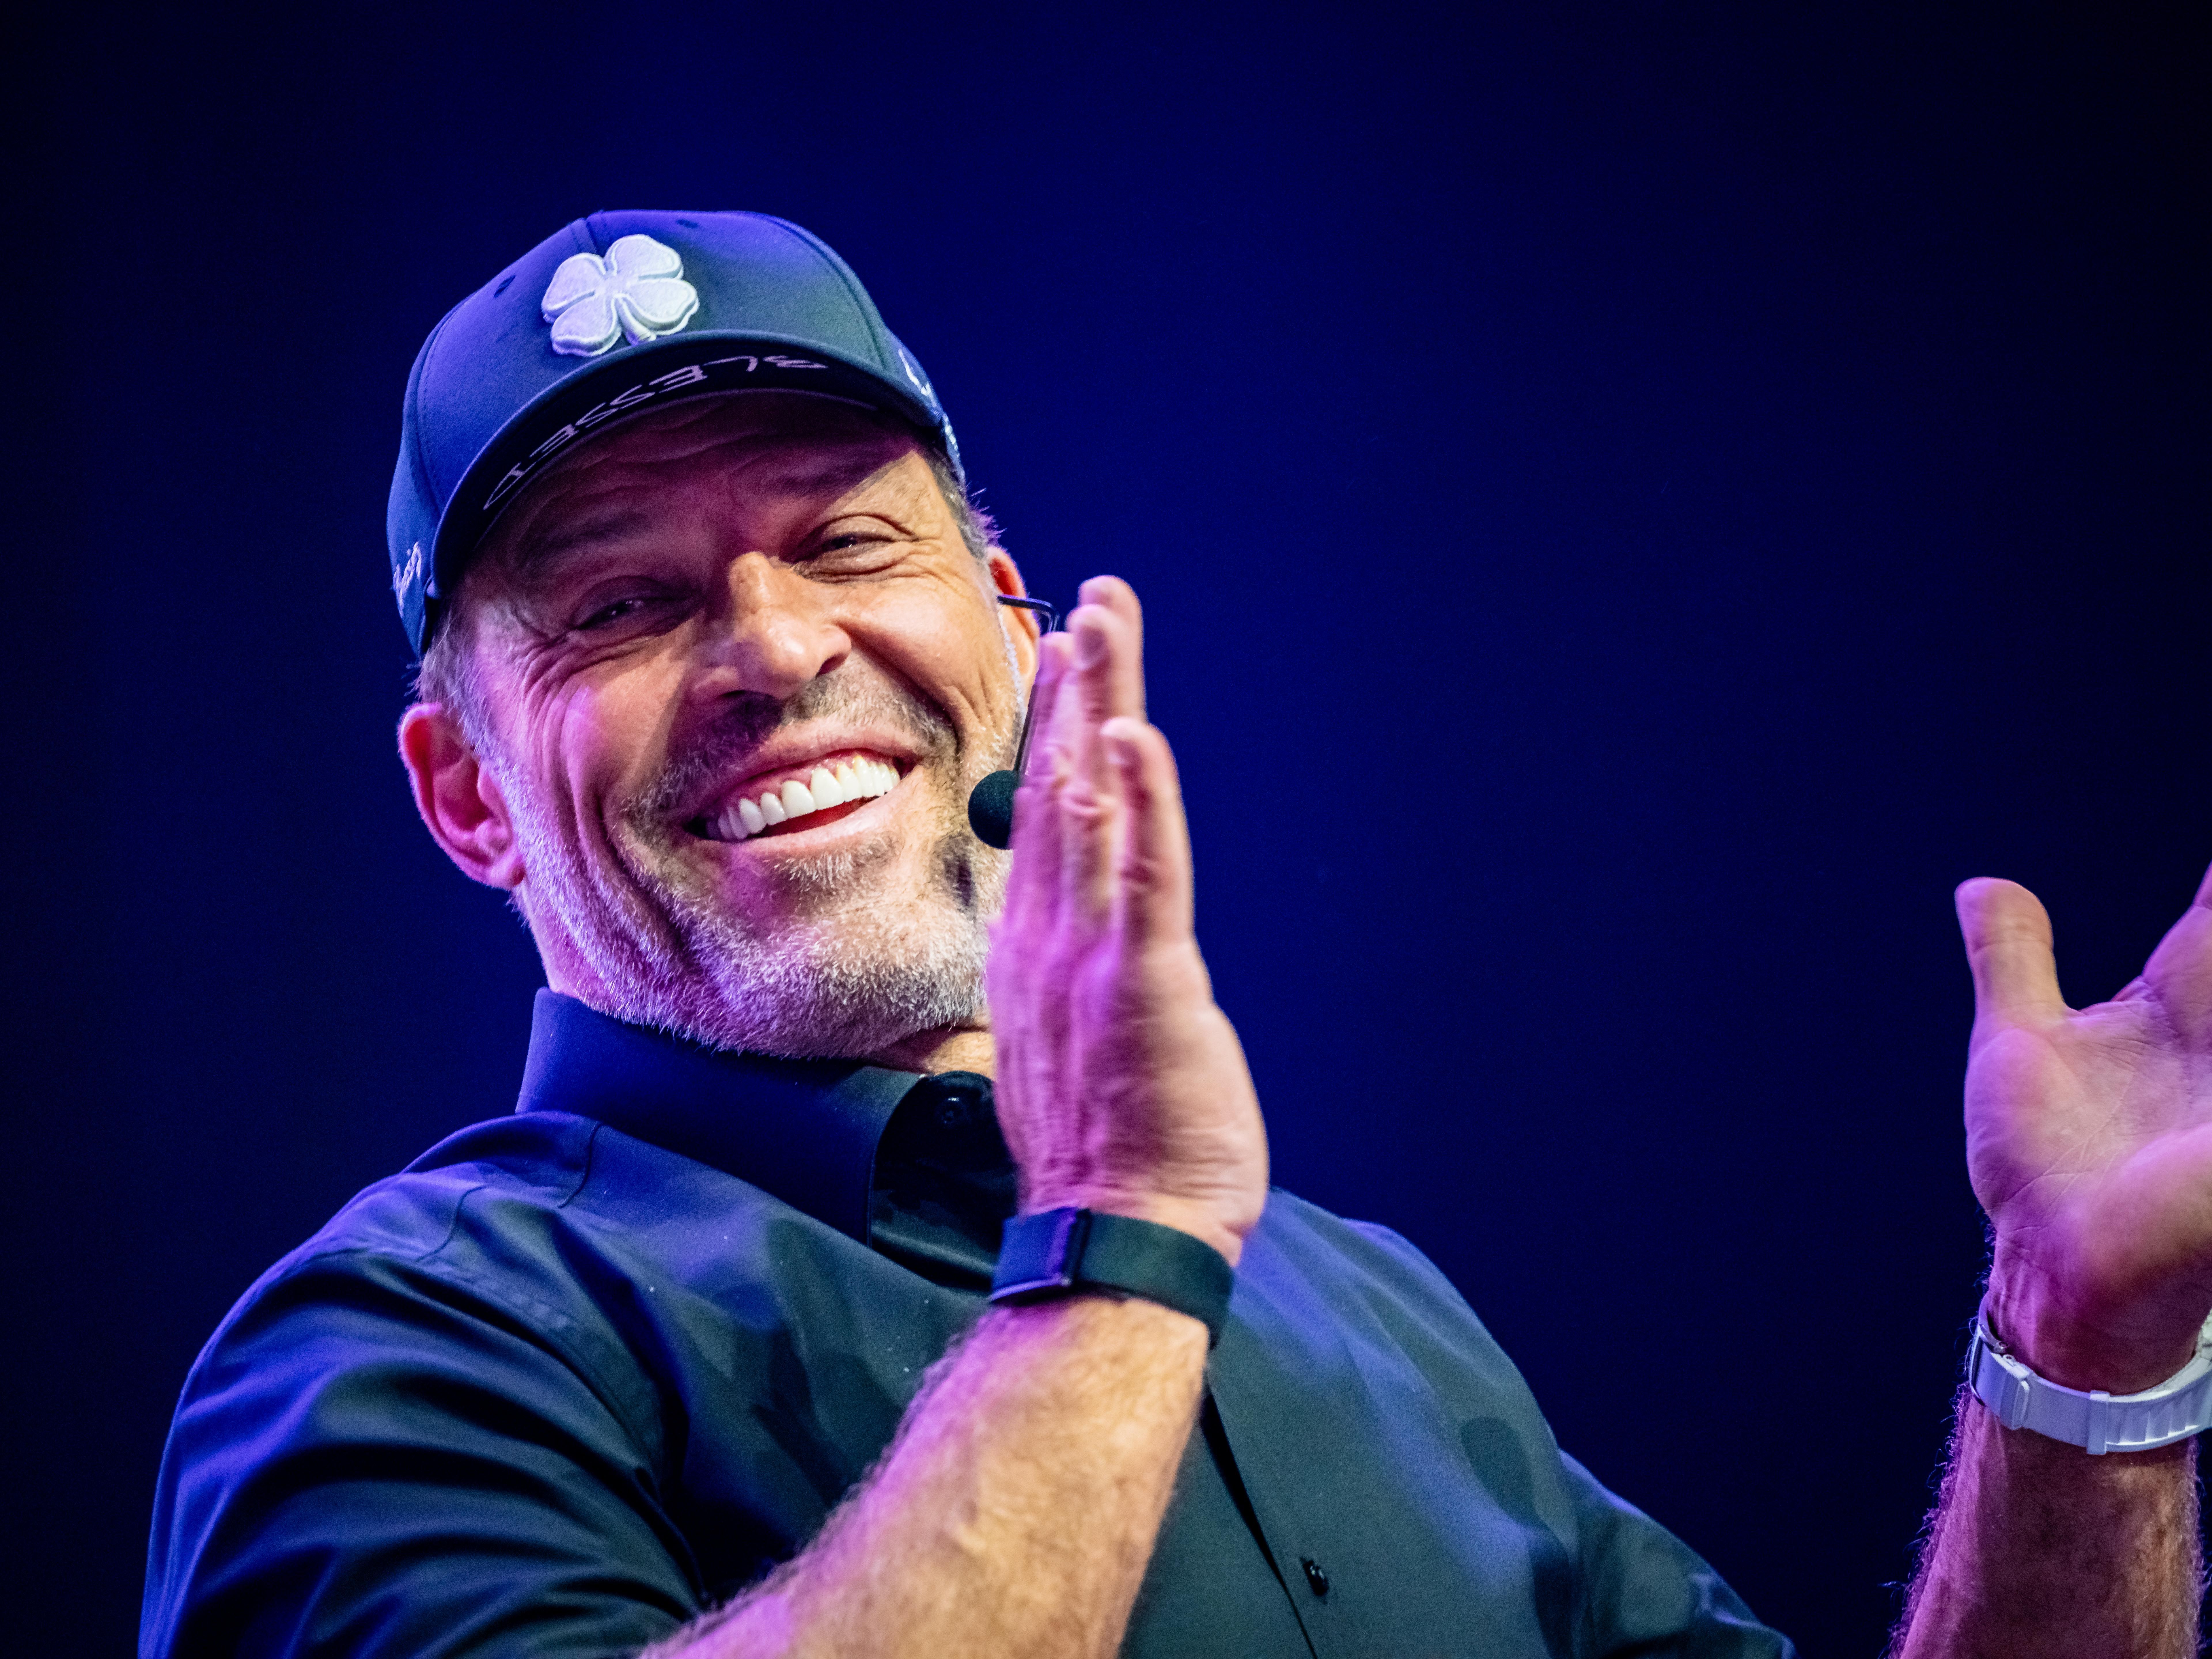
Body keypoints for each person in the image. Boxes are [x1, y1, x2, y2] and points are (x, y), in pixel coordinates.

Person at [141, 211, 2212, 1659]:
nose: (774, 648)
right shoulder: (391, 1360)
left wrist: (2079, 1362)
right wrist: (1128, 1241)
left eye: (848, 538)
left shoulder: (1358, 1305)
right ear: (466, 791)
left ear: (1015, 637)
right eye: (618, 602)